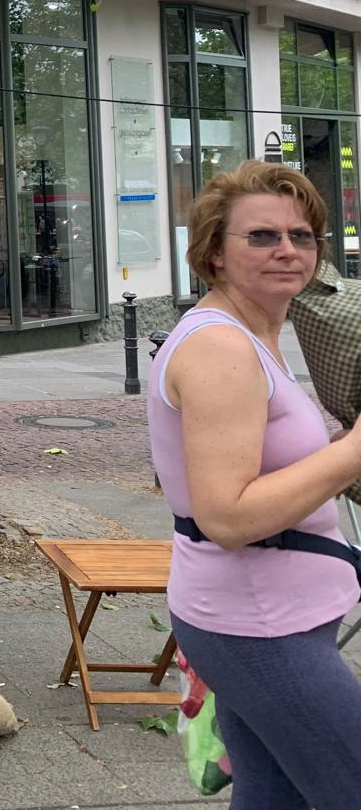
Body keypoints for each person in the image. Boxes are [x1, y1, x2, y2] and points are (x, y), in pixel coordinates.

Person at [147, 159, 361, 807]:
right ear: (214, 252)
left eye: (302, 236)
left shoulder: (254, 334)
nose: (287, 250)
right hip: (258, 624)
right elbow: (229, 517)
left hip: (272, 616)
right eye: (262, 236)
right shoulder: (221, 349)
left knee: (274, 795)